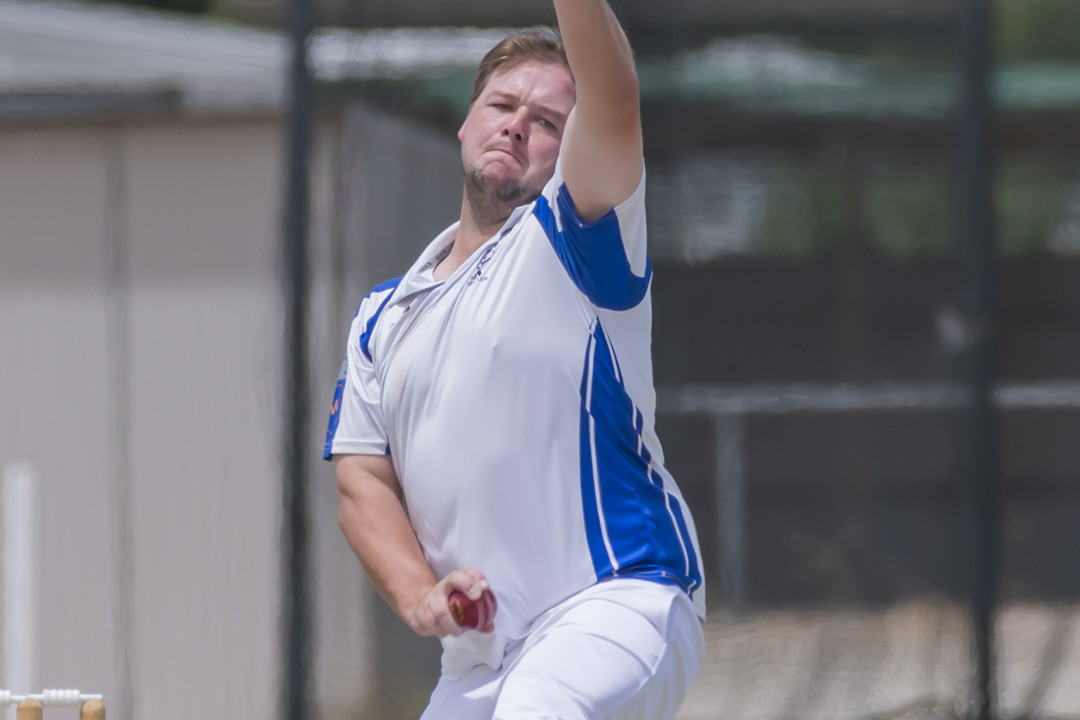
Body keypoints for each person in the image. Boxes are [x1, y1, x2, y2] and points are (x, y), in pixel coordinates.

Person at [324, 2, 706, 717]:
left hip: (619, 597)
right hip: (482, 654)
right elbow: (361, 482)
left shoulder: (576, 234)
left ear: (574, 149)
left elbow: (615, 98)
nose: (517, 124)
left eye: (549, 121)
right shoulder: (383, 313)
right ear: (466, 122)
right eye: (501, 104)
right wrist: (419, 595)